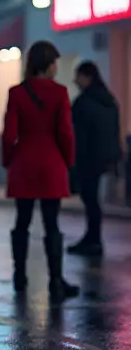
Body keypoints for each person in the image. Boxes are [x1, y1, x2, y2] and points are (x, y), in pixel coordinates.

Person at [2, 40, 78, 300]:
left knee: (22, 222)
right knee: (51, 224)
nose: (57, 66)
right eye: (55, 62)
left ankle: (19, 276)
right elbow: (66, 133)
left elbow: (9, 134)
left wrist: (8, 160)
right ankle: (55, 282)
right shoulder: (60, 93)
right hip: (51, 164)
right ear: (48, 65)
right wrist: (67, 162)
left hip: (23, 164)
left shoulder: (17, 93)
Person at [69, 61, 121, 256]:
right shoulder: (109, 100)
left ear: (87, 77)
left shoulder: (84, 103)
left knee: (89, 198)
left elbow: (76, 134)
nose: (75, 81)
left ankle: (93, 239)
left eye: (78, 76)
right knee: (92, 198)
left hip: (87, 157)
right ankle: (93, 238)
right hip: (103, 157)